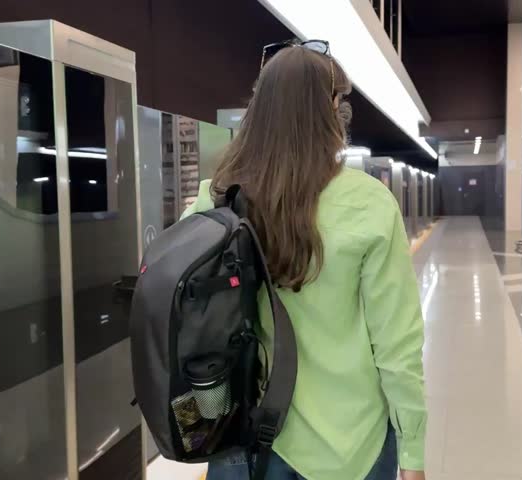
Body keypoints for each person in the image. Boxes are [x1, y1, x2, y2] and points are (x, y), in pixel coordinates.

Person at [184, 40, 426, 480]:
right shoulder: (369, 203)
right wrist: (413, 451)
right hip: (349, 446)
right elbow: (397, 346)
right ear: (329, 110)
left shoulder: (215, 197)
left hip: (241, 442)